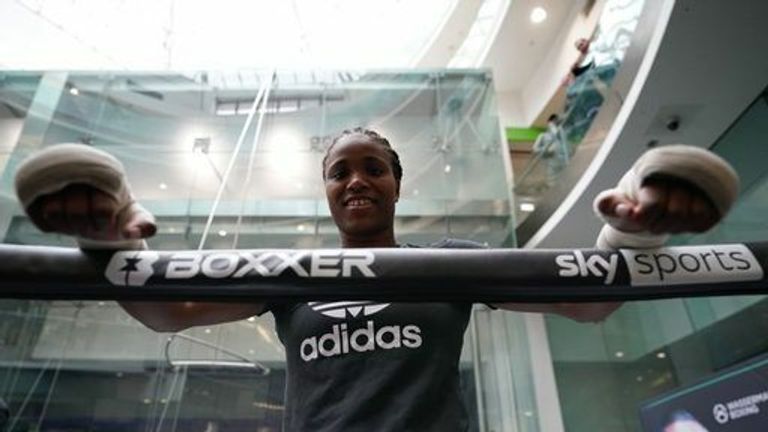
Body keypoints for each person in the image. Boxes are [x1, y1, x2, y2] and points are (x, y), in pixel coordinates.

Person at [13, 128, 738, 431]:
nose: (356, 180)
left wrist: (633, 231)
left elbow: (589, 309)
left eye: (373, 168)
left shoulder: (445, 260)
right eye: (339, 172)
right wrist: (102, 241)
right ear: (326, 193)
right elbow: (169, 316)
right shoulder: (293, 275)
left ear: (396, 184)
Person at [532, 114, 570, 185]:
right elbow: (535, 149)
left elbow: (567, 147)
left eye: (556, 122)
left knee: (566, 183)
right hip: (552, 165)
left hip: (564, 163)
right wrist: (546, 149)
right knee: (552, 184)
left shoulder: (562, 135)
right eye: (552, 122)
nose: (553, 124)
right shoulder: (542, 135)